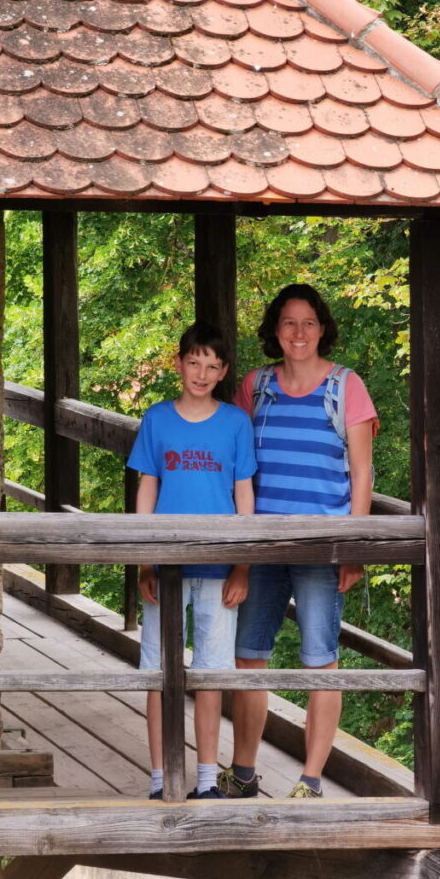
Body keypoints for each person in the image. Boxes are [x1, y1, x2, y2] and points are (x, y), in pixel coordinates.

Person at [218, 284, 377, 800]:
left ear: (323, 328)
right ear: (275, 331)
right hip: (260, 545)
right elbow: (237, 463)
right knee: (248, 659)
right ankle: (243, 774)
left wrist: (352, 546)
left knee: (320, 661)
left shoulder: (345, 387)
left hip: (320, 547)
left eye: (309, 323)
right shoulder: (255, 387)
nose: (299, 333)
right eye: (289, 322)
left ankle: (310, 780)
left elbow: (362, 472)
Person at [127, 320, 256, 800]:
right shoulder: (158, 419)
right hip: (165, 566)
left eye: (212, 365)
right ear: (179, 363)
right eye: (194, 362)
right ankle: (161, 778)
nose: (201, 373)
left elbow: (244, 494)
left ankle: (205, 779)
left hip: (220, 568)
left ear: (223, 372)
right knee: (160, 672)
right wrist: (144, 558)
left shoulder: (235, 423)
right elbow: (147, 486)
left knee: (211, 673)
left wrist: (243, 564)